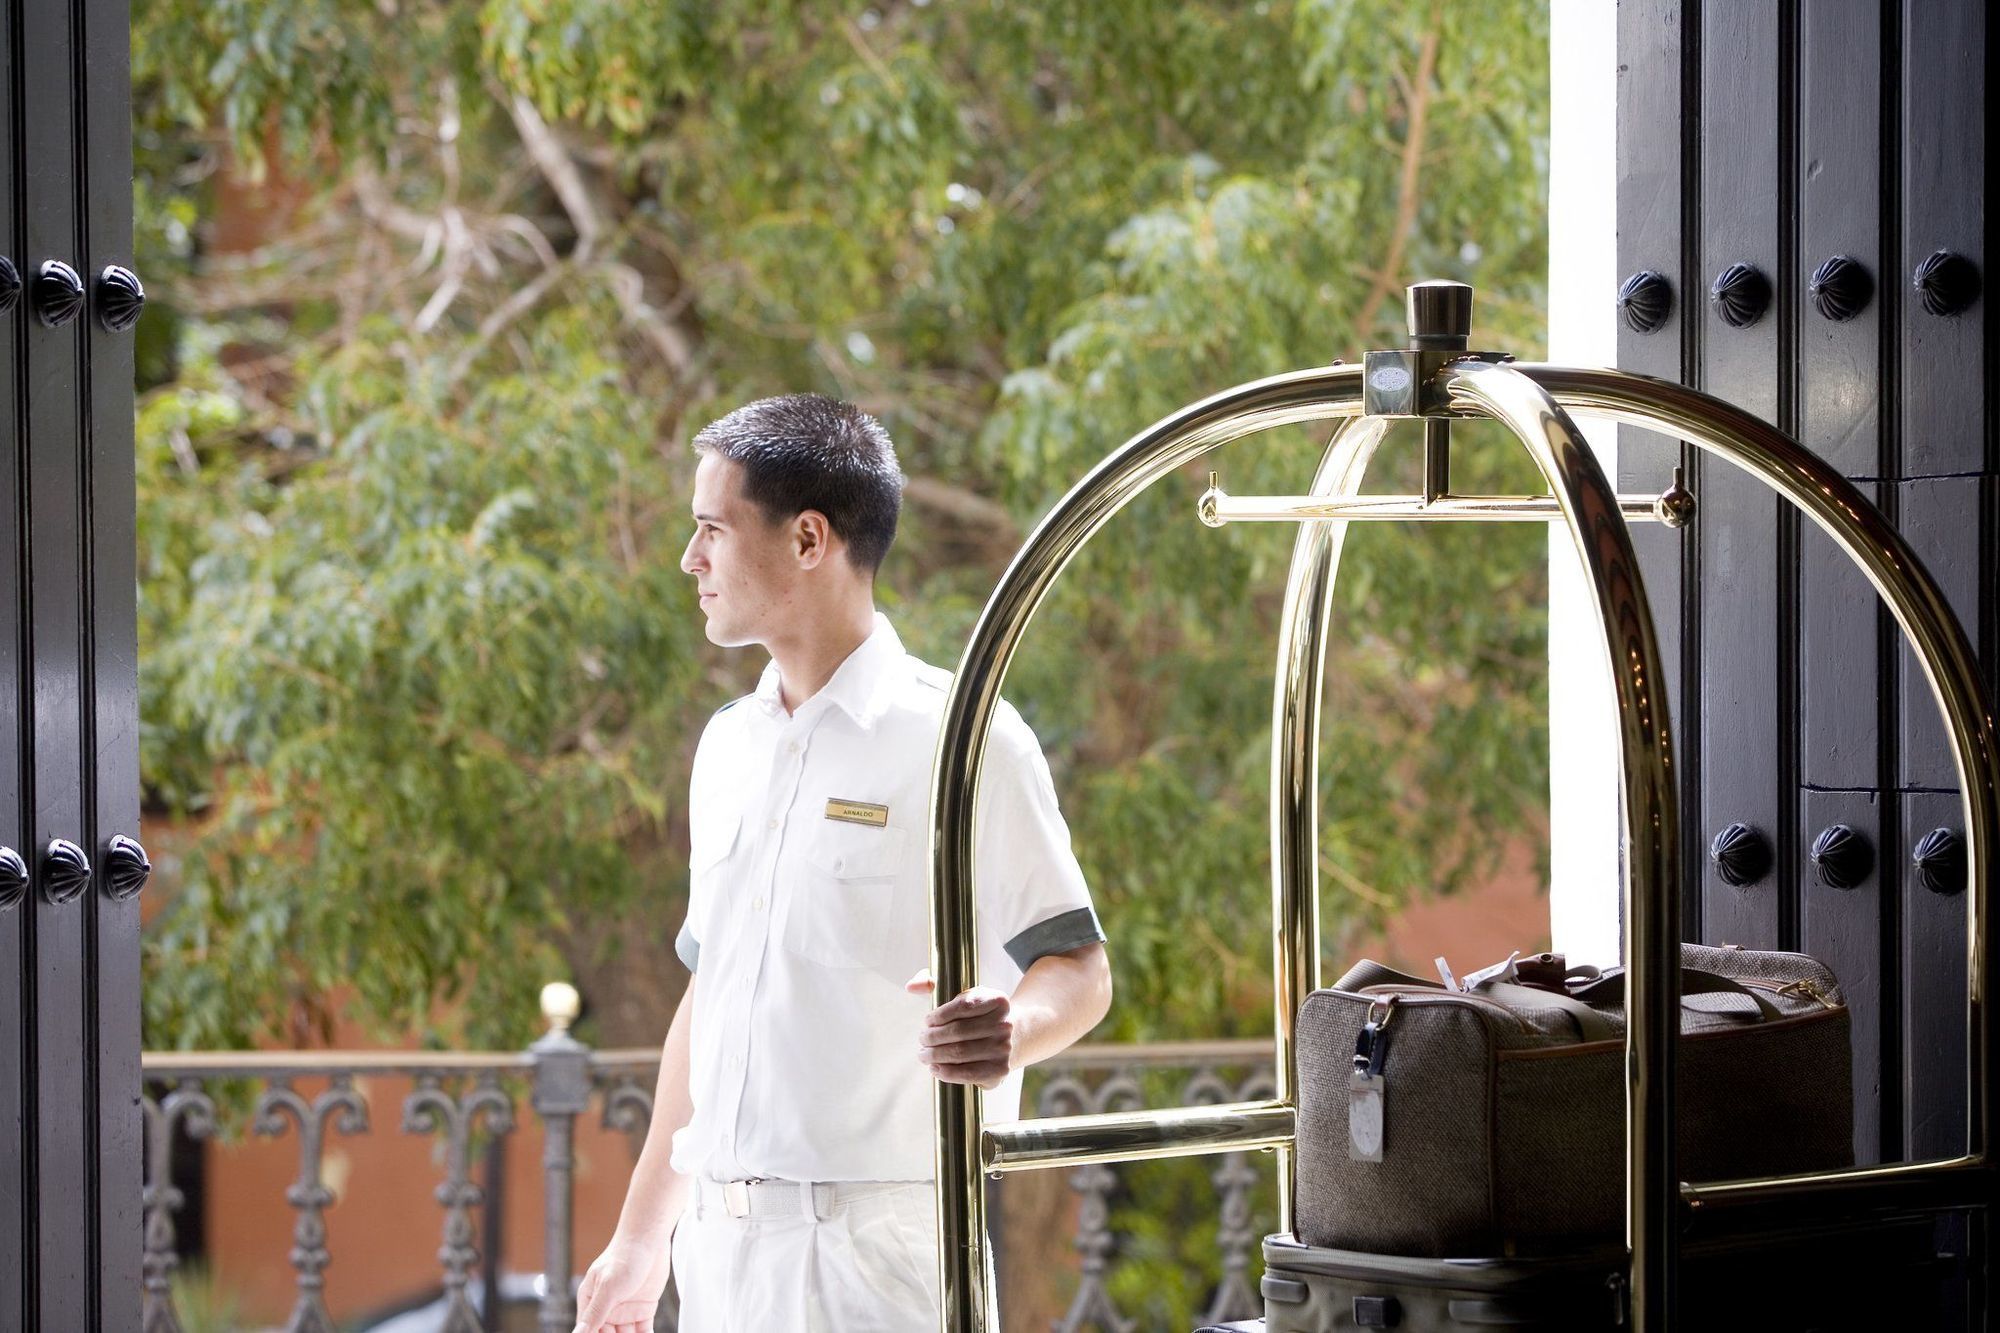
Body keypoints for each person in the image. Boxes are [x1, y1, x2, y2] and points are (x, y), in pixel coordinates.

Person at [571, 394, 1113, 1332]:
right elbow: (709, 999)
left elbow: (1080, 969)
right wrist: (638, 1241)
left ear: (809, 540)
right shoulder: (727, 746)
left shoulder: (963, 737)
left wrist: (1013, 1031)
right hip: (722, 1260)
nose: (689, 560)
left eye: (711, 530)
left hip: (878, 1265)